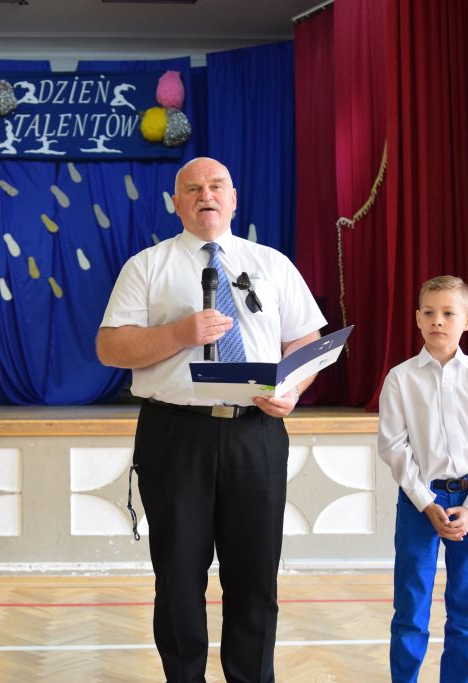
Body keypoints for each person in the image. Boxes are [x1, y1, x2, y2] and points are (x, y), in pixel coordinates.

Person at [97, 157, 326, 682]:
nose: (207, 195)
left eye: (217, 185)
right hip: (176, 435)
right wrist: (181, 334)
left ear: (234, 198)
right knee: (178, 579)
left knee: (255, 578)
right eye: (193, 188)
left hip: (256, 432)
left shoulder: (271, 263)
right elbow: (110, 347)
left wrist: (292, 388)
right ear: (175, 203)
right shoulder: (147, 266)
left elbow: (306, 341)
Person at [377, 275, 468, 682]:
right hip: (420, 503)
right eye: (430, 312)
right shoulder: (400, 378)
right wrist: (426, 502)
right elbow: (393, 447)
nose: (438, 320)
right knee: (410, 608)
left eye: (448, 313)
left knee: (465, 612)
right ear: (418, 319)